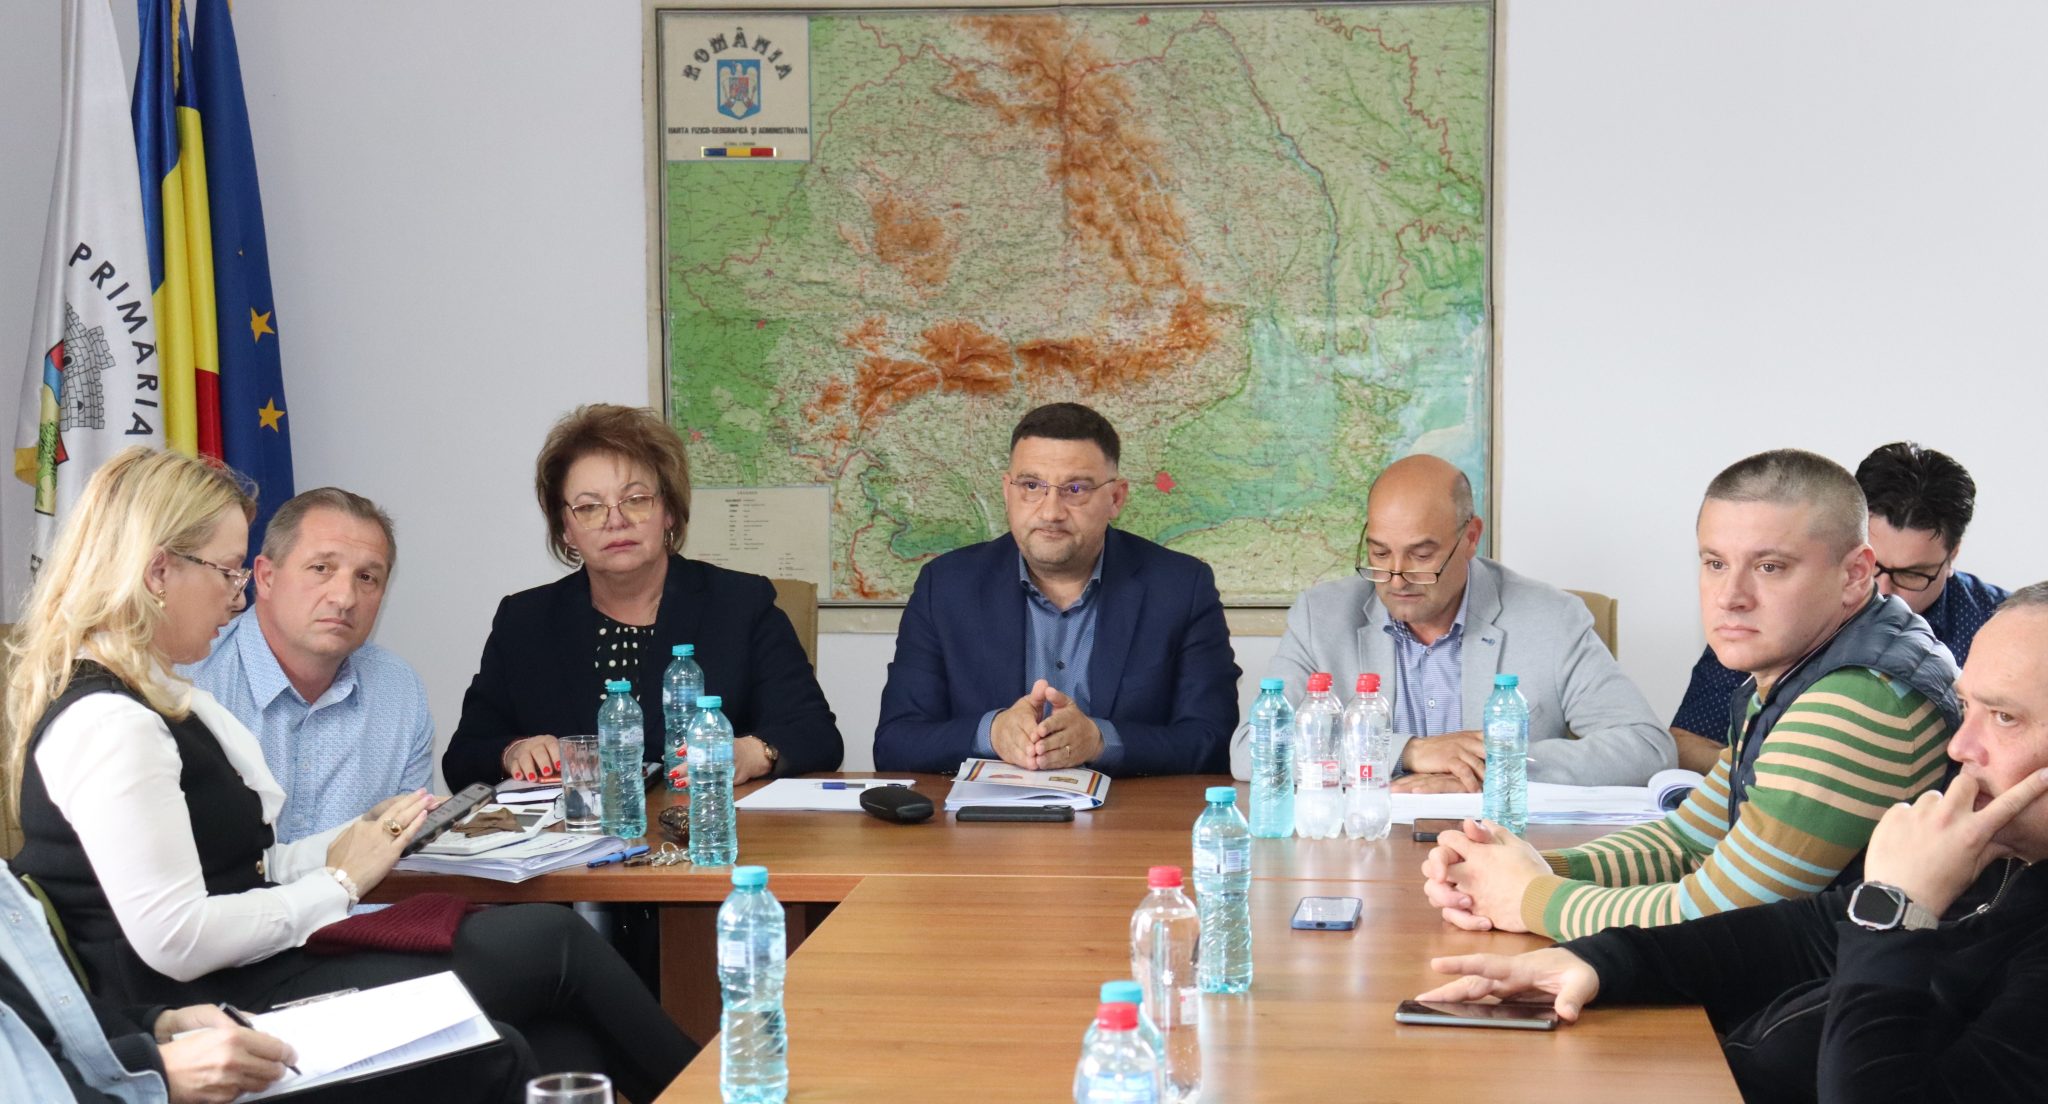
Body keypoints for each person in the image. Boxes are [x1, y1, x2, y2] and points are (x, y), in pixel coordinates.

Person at [4, 448, 694, 1103]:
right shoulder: (110, 722)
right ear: (159, 573)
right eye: (227, 574)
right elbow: (177, 938)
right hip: (199, 1016)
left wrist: (361, 838)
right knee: (552, 949)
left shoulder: (150, 695)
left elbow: (245, 867)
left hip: (248, 970)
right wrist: (340, 882)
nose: (234, 600)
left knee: (553, 1033)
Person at [1417, 583, 2048, 1104]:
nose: (1961, 747)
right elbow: (1805, 934)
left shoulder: (1863, 700)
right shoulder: (2004, 858)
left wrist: (1897, 913)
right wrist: (1602, 962)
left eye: (2005, 717)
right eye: (1967, 707)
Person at [1419, 449, 1959, 941]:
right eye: (1715, 563)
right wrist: (1521, 868)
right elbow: (1687, 841)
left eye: (1770, 567)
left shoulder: (1857, 702)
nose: (1731, 596)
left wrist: (1527, 897)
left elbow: (1718, 915)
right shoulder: (1807, 668)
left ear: (1855, 574)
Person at [443, 403, 840, 791]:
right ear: (565, 529)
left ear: (669, 512)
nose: (615, 520)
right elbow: (463, 755)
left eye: (635, 500)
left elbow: (816, 734)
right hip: (574, 834)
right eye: (589, 507)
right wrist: (512, 752)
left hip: (705, 825)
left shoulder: (740, 604)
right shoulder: (524, 621)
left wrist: (752, 753)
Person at [1230, 454, 1672, 790]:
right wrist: (1407, 752)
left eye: (1421, 555)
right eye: (1380, 553)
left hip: (1500, 851)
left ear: (1471, 537)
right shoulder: (1322, 616)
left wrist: (1485, 770)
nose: (1396, 578)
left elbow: (1648, 748)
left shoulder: (1551, 618)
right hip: (1363, 847)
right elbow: (1251, 749)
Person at [873, 402, 1239, 776]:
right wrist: (992, 733)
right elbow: (895, 744)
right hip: (986, 811)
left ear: (1115, 498)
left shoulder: (1181, 587)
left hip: (1126, 811)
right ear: (1007, 491)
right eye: (1032, 486)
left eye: (1075, 489)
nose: (1051, 512)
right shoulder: (946, 587)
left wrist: (1100, 741)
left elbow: (1213, 742)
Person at [0, 864, 534, 1104]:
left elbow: (53, 1021)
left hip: (138, 1057)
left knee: (498, 1040)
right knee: (497, 1050)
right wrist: (160, 1072)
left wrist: (160, 1023)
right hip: (136, 1085)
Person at [1669, 442, 2007, 773]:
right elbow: (1688, 741)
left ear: (1953, 555)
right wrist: (1793, 771)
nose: (1884, 591)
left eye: (1913, 575)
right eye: (1872, 569)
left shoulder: (2005, 625)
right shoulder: (1771, 620)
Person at [186, 488, 432, 842]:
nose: (345, 598)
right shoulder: (188, 677)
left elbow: (410, 851)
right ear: (265, 577)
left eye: (366, 577)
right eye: (321, 568)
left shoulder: (399, 690)